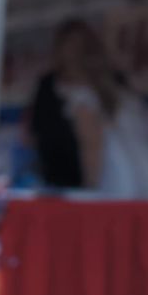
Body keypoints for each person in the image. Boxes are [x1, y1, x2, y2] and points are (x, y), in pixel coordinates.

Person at [57, 21, 148, 198]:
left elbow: (92, 146)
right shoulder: (123, 93)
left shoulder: (82, 96)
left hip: (120, 181)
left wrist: (90, 188)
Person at [30, 20, 88, 188]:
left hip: (86, 171)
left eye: (79, 44)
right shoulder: (47, 84)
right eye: (69, 44)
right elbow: (36, 126)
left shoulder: (96, 84)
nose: (74, 51)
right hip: (54, 168)